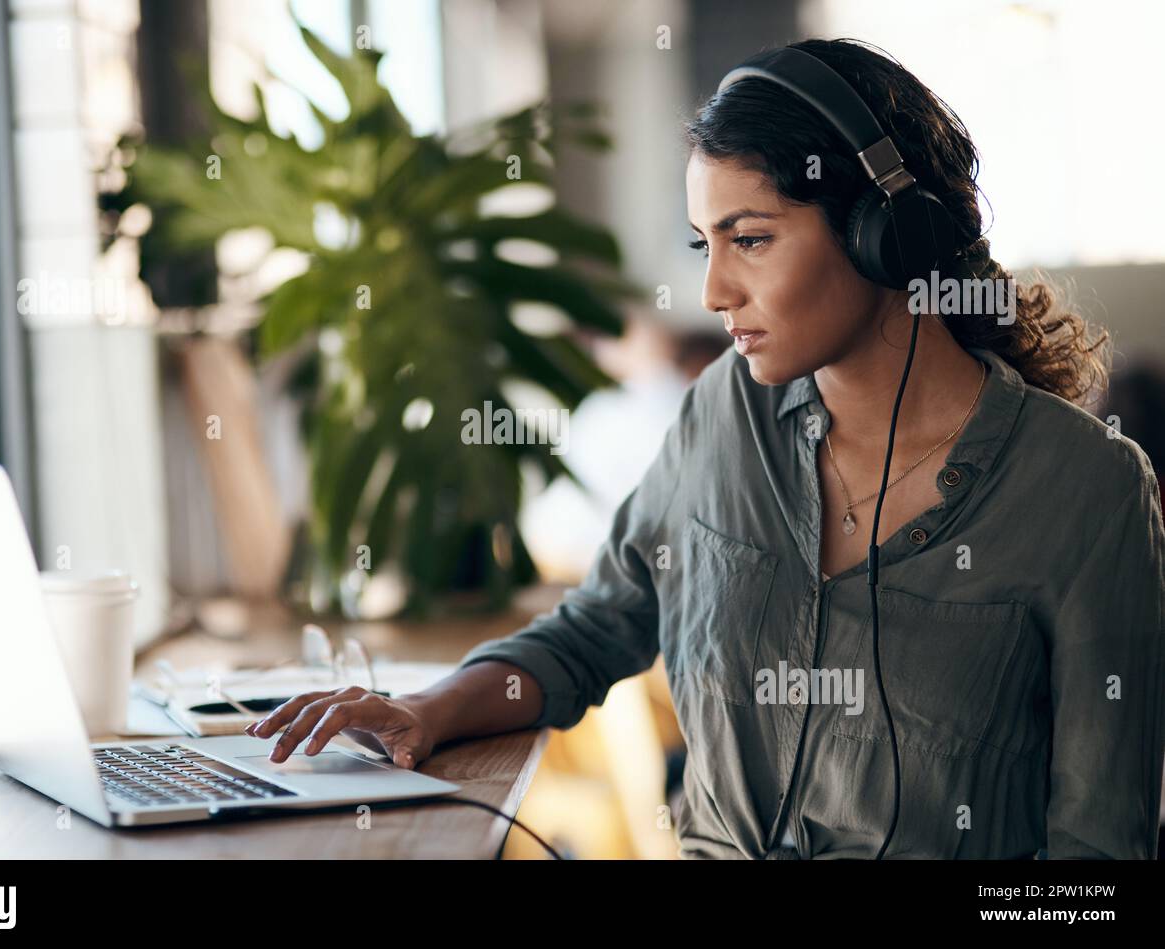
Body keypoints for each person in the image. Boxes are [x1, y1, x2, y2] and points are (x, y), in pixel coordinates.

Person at [245, 38, 1165, 859]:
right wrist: (426, 710)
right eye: (705, 245)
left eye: (751, 239)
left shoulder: (1087, 488)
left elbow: (1097, 860)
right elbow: (598, 624)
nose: (716, 289)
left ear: (886, 237)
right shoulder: (723, 413)